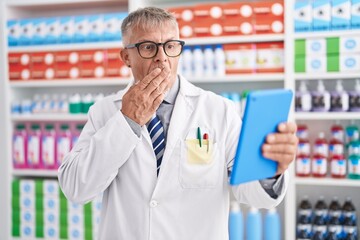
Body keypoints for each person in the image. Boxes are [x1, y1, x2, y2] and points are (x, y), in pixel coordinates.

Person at [58, 7, 298, 239]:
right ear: (126, 57)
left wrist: (270, 172)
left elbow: (251, 193)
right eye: (148, 47)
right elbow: (76, 188)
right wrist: (126, 120)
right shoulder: (104, 112)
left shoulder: (218, 110)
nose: (162, 58)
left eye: (171, 46)